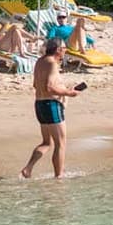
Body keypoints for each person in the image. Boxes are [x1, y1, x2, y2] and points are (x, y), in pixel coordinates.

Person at [21, 38, 87, 179]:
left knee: (46, 142)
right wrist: (69, 93)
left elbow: (36, 85)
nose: (65, 50)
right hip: (51, 105)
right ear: (58, 49)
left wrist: (63, 89)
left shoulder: (40, 61)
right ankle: (59, 177)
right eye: (64, 48)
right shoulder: (52, 63)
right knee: (60, 143)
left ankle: (28, 169)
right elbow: (50, 87)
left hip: (39, 104)